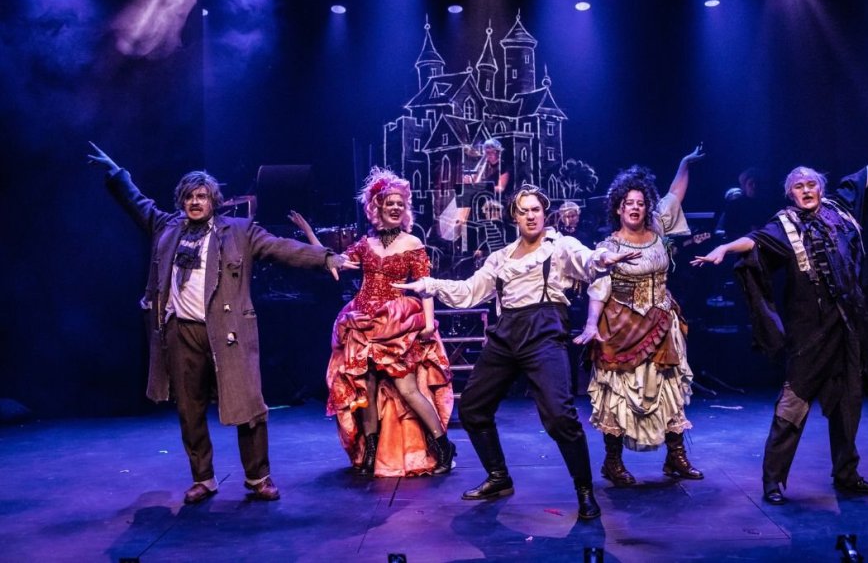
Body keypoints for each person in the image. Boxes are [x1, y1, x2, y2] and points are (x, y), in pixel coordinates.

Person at [86, 142, 354, 504]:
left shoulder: (240, 232)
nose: (195, 202)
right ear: (181, 201)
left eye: (201, 196)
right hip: (181, 332)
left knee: (248, 406)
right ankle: (204, 478)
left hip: (229, 332)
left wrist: (326, 259)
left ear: (214, 201)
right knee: (189, 409)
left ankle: (258, 478)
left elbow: (282, 247)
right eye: (189, 197)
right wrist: (118, 174)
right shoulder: (167, 228)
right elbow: (138, 203)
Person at [393, 185, 642, 520]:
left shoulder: (559, 246)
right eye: (523, 211)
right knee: (473, 407)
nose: (530, 216)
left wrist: (603, 259)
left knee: (559, 416)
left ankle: (584, 490)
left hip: (544, 330)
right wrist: (429, 285)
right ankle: (498, 477)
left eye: (535, 210)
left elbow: (587, 260)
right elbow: (469, 291)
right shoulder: (501, 258)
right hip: (507, 332)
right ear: (515, 217)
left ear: (544, 213)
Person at [691, 138, 868, 505]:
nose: (806, 190)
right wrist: (723, 247)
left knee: (849, 402)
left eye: (811, 184)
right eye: (799, 186)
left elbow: (861, 179)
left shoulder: (840, 210)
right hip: (811, 330)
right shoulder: (785, 225)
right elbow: (754, 241)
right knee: (793, 404)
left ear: (821, 187)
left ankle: (847, 474)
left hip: (850, 325)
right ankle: (773, 481)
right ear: (790, 194)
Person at [290, 168, 456, 477]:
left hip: (397, 322)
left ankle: (443, 445)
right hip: (364, 321)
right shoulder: (366, 244)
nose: (395, 208)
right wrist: (311, 235)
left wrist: (428, 322)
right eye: (389, 203)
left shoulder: (412, 243)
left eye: (400, 204)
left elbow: (425, 286)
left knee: (407, 388)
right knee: (365, 388)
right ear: (377, 207)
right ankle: (370, 450)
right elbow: (335, 263)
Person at [573, 146, 706, 488]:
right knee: (618, 393)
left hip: (661, 321)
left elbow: (674, 195)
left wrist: (684, 163)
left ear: (647, 207)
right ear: (618, 208)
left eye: (640, 203)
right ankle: (613, 462)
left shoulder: (658, 228)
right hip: (622, 326)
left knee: (668, 388)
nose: (635, 208)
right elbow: (599, 288)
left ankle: (675, 457)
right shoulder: (609, 247)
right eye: (628, 203)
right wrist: (590, 325)